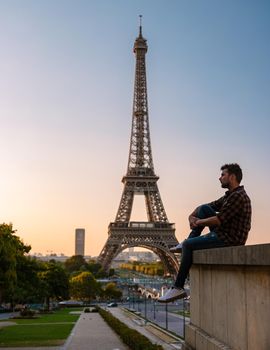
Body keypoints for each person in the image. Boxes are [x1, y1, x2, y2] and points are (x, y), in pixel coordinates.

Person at [158, 163, 251, 303]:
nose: (219, 178)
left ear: (232, 177)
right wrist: (192, 215)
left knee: (188, 245)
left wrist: (198, 222)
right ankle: (187, 241)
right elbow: (206, 207)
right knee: (204, 209)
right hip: (224, 233)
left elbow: (219, 220)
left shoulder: (238, 196)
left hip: (230, 239)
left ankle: (178, 287)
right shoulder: (229, 196)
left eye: (223, 175)